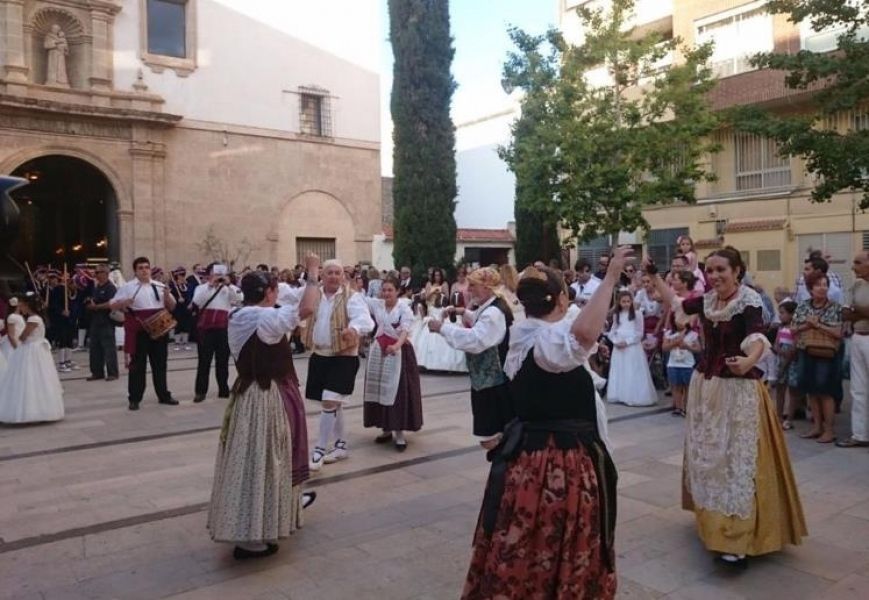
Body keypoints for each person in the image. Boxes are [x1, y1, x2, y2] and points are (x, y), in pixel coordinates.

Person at [461, 249, 631, 599]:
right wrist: (611, 277)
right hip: (558, 463)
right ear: (562, 299)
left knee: (524, 540)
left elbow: (575, 329)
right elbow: (583, 335)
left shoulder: (526, 335)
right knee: (554, 539)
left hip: (528, 458)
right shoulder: (547, 345)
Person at [646, 247, 806, 566]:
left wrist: (748, 361)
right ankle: (713, 522)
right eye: (711, 270)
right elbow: (676, 303)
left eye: (722, 270)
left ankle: (738, 537)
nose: (715, 275)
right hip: (706, 388)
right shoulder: (707, 300)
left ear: (737, 271)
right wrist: (653, 276)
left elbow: (757, 336)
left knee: (735, 461)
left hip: (738, 392)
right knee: (710, 456)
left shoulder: (748, 300)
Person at [207, 271, 316, 560]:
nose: (277, 294)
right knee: (265, 460)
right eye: (274, 290)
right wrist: (313, 275)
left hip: (249, 395)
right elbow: (306, 308)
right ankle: (251, 534)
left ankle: (263, 518)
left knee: (255, 459)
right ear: (268, 292)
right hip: (264, 397)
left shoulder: (239, 315)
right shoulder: (262, 318)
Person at [300, 256, 374, 471]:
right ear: (322, 276)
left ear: (343, 276)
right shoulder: (313, 294)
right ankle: (340, 446)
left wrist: (354, 329)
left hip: (344, 356)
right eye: (329, 273)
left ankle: (319, 449)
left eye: (337, 273)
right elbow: (292, 301)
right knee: (335, 402)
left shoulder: (352, 297)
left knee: (329, 401)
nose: (333, 276)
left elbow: (366, 320)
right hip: (320, 354)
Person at [428, 267, 514, 446]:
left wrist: (442, 328)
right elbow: (480, 319)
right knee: (495, 435)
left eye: (473, 285)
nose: (469, 289)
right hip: (488, 382)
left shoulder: (493, 313)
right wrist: (463, 312)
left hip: (493, 384)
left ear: (487, 287)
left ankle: (502, 460)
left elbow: (475, 340)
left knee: (491, 438)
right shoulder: (492, 305)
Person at [362, 276, 423, 451]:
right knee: (380, 389)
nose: (386, 293)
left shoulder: (404, 308)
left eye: (390, 290)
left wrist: (396, 346)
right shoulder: (378, 304)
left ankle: (399, 433)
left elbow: (405, 331)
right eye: (384, 290)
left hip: (399, 353)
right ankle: (386, 428)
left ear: (398, 291)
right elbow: (359, 298)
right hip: (380, 351)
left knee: (398, 392)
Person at [110, 256, 178, 411]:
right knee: (137, 366)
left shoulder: (159, 286)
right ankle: (134, 398)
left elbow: (172, 306)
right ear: (135, 271)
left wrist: (167, 296)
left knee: (160, 364)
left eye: (147, 267)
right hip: (139, 331)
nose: (144, 271)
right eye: (140, 268)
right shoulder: (128, 287)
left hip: (159, 329)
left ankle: (163, 395)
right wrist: (124, 303)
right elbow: (112, 305)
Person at [793, 271, 843, 444]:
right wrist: (807, 325)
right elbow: (793, 328)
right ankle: (816, 427)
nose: (822, 288)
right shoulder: (803, 306)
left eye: (825, 285)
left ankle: (829, 430)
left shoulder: (835, 307)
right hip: (805, 350)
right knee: (811, 390)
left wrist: (818, 325)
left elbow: (838, 332)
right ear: (810, 288)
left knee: (825, 391)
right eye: (818, 285)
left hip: (826, 353)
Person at [0, 293, 64, 423]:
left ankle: (32, 410)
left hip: (32, 349)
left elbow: (24, 336)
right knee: (37, 377)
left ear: (27, 305)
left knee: (29, 377)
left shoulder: (33, 319)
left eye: (22, 304)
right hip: (35, 349)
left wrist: (21, 337)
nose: (21, 307)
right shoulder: (35, 318)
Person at [191, 264, 242, 403]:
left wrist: (229, 284)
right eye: (215, 273)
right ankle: (200, 391)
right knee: (204, 361)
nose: (218, 275)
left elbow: (239, 298)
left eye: (220, 273)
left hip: (223, 328)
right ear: (209, 274)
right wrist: (210, 285)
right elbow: (197, 301)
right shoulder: (201, 288)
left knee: (223, 360)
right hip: (205, 329)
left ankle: (223, 389)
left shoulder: (228, 288)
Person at [605, 290, 658, 407]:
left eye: (628, 301)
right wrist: (615, 341)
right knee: (620, 369)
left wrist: (627, 342)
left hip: (632, 347)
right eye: (623, 301)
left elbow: (639, 333)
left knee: (631, 369)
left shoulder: (637, 314)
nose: (626, 304)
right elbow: (612, 331)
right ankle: (619, 394)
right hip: (619, 346)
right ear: (619, 302)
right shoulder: (617, 315)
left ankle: (633, 396)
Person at [839, 250, 869, 448]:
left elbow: (853, 311)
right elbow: (845, 313)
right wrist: (861, 312)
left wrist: (856, 311)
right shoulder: (857, 285)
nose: (853, 267)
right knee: (858, 389)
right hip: (858, 337)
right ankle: (860, 434)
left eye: (858, 262)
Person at [412, 268, 468, 373]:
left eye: (439, 275)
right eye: (435, 275)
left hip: (441, 306)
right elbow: (426, 297)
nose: (437, 277)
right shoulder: (429, 284)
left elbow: (448, 297)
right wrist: (433, 291)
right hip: (431, 307)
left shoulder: (445, 284)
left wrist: (441, 293)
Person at [85, 265, 119, 382]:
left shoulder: (110, 288)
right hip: (95, 321)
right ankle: (97, 372)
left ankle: (112, 372)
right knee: (95, 348)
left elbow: (112, 303)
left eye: (98, 272)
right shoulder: (96, 288)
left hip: (106, 321)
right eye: (96, 272)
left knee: (109, 348)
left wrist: (97, 307)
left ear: (105, 273)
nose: (96, 274)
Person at [663, 317, 700, 417]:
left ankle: (686, 407)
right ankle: (678, 407)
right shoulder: (669, 333)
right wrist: (675, 343)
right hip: (673, 364)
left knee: (687, 387)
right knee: (676, 386)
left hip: (687, 365)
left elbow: (698, 349)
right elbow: (664, 347)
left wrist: (687, 346)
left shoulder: (693, 334)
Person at [774, 300, 799, 430]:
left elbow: (794, 347)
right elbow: (776, 344)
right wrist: (779, 351)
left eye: (783, 313)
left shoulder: (795, 329)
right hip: (781, 359)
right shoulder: (780, 327)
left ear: (792, 314)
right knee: (780, 389)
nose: (780, 315)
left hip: (792, 361)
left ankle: (789, 418)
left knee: (792, 390)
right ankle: (778, 416)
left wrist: (786, 356)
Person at [169, 267, 194, 351]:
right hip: (178, 309)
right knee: (178, 326)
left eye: (183, 275)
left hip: (186, 308)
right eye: (180, 275)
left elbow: (190, 295)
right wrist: (177, 299)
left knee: (186, 326)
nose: (182, 277)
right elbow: (171, 297)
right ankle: (177, 343)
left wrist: (190, 303)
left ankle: (185, 343)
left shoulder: (188, 285)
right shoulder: (173, 286)